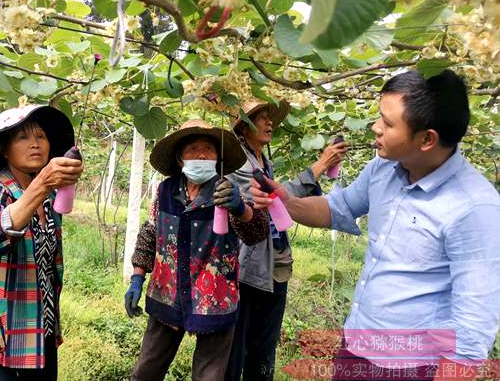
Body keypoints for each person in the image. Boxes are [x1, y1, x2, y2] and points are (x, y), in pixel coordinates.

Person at [249, 70, 500, 381]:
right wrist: (286, 200)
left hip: (415, 367)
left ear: (427, 139)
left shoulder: (474, 207)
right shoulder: (383, 167)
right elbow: (336, 208)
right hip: (358, 346)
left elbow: (473, 326)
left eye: (388, 123)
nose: (375, 127)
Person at [125, 119, 272, 381]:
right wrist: (137, 276)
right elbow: (151, 232)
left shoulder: (227, 191)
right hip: (167, 294)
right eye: (193, 149)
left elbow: (257, 233)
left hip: (214, 299)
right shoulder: (166, 190)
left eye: (208, 149)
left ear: (218, 158)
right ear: (181, 158)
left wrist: (241, 209)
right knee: (145, 371)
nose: (202, 154)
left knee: (209, 376)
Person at [0, 104, 83, 381]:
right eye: (23, 137)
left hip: (40, 330)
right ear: (4, 148)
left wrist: (45, 187)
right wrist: (41, 186)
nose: (35, 144)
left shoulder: (49, 200)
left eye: (41, 136)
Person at [225, 100, 347, 381]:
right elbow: (271, 198)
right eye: (261, 118)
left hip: (275, 267)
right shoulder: (239, 162)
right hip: (249, 271)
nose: (270, 123)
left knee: (263, 347)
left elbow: (280, 199)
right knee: (238, 349)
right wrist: (318, 166)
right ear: (244, 127)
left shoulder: (263, 160)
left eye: (270, 118)